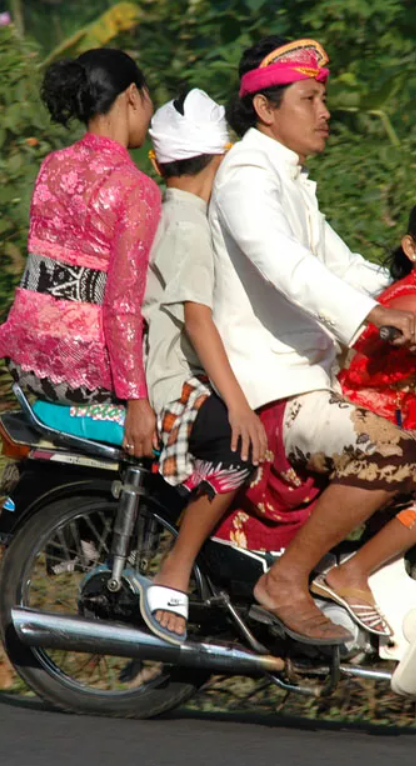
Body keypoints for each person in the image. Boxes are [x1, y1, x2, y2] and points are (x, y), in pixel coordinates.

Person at [207, 36, 416, 644]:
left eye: (324, 97)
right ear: (266, 109)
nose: (325, 111)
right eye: (310, 98)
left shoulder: (289, 179)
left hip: (308, 380)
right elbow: (286, 265)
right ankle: (288, 579)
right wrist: (372, 317)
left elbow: (343, 265)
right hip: (272, 388)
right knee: (392, 454)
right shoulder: (247, 177)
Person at [0, 48, 160, 457]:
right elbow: (121, 305)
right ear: (133, 95)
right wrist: (137, 400)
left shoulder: (52, 165)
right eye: (149, 97)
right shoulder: (136, 188)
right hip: (84, 378)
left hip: (26, 365)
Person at [136, 89, 264, 644]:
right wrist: (237, 405)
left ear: (159, 162)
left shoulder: (170, 214)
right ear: (222, 157)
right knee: (240, 446)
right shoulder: (189, 227)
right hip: (173, 382)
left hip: (173, 372)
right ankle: (177, 567)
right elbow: (197, 322)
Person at [319, 196, 416, 635]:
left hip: (399, 419)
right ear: (413, 248)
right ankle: (350, 574)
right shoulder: (411, 299)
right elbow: (406, 327)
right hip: (366, 422)